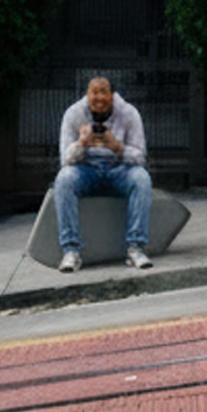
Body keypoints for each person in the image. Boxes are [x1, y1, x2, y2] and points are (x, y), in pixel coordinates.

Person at [52, 77, 154, 272]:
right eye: (94, 93)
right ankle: (71, 251)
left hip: (118, 169)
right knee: (64, 178)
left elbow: (140, 158)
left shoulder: (129, 113)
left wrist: (117, 147)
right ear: (87, 95)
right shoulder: (74, 114)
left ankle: (135, 248)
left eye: (104, 93)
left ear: (112, 95)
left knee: (141, 178)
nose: (99, 99)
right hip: (86, 169)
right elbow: (65, 160)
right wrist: (82, 144)